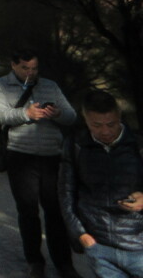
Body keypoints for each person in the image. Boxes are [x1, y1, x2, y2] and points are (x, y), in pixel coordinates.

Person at [0, 48, 78, 278]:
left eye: (34, 68)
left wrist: (57, 113)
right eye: (25, 68)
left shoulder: (50, 85)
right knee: (28, 211)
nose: (30, 72)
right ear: (13, 65)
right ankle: (34, 261)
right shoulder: (1, 85)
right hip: (20, 154)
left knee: (55, 211)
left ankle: (64, 263)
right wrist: (26, 114)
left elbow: (72, 116)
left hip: (51, 154)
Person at [59, 90, 143, 278]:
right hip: (99, 246)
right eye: (96, 125)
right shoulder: (76, 146)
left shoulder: (138, 144)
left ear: (119, 116)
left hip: (138, 245)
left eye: (111, 124)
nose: (105, 131)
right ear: (85, 118)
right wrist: (81, 235)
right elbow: (66, 193)